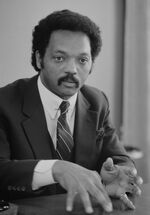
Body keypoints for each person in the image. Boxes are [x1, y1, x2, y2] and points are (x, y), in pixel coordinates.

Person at [0, 9, 142, 213]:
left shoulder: (97, 101)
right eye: (59, 58)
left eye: (82, 60)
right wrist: (56, 169)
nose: (72, 70)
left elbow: (118, 156)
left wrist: (119, 172)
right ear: (40, 59)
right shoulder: (5, 102)